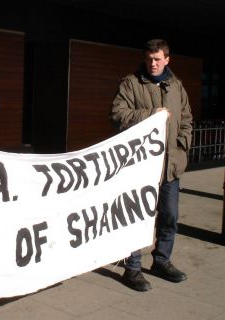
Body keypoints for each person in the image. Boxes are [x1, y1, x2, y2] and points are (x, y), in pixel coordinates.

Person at [110, 39, 192, 292]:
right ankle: (132, 268)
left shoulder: (176, 86)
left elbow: (187, 119)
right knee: (136, 218)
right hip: (140, 167)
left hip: (170, 167)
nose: (153, 63)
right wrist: (150, 114)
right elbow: (117, 114)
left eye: (157, 59)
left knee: (169, 217)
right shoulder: (131, 83)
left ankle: (162, 261)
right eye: (149, 59)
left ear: (167, 59)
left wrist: (181, 149)